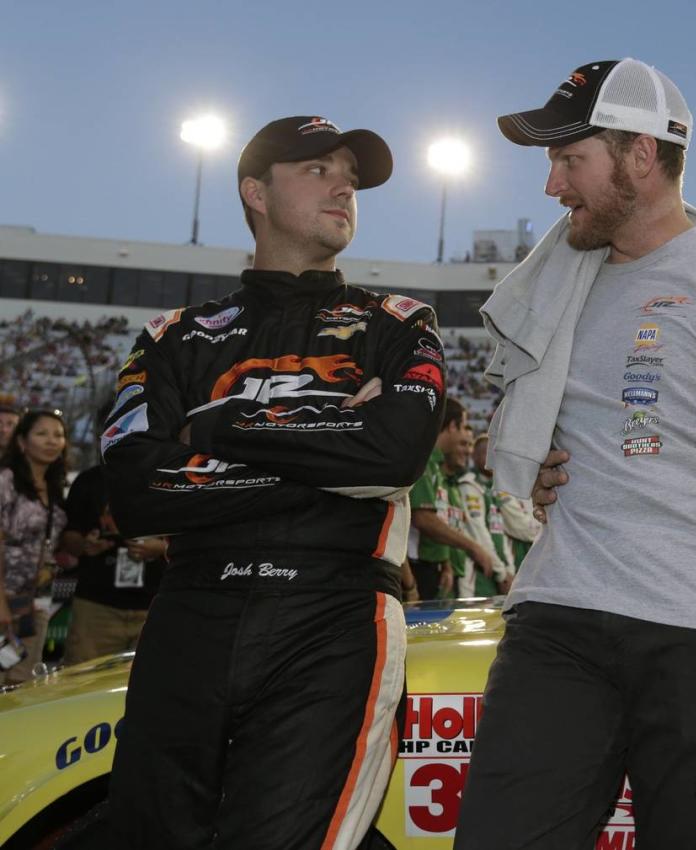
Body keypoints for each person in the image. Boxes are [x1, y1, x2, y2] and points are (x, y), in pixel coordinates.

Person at [455, 60, 696, 850]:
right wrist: (537, 458)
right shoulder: (555, 291)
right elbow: (540, 431)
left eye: (571, 160)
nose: (552, 186)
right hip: (557, 619)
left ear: (639, 155)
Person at [100, 115, 444, 850]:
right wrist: (328, 452)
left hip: (335, 619)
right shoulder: (172, 335)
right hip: (190, 614)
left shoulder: (401, 323)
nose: (345, 184)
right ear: (255, 191)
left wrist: (219, 427)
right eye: (318, 169)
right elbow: (132, 491)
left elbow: (392, 458)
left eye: (349, 173)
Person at [60, 462, 167, 664]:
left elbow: (197, 539)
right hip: (97, 606)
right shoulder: (89, 480)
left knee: (153, 687)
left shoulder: (174, 474)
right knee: (83, 684)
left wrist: (161, 548)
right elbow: (68, 536)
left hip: (157, 605)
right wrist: (85, 544)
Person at [0, 409, 68, 684]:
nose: (52, 441)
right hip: (4, 601)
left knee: (23, 687)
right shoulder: (6, 480)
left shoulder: (53, 485)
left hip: (32, 604)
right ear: (22, 442)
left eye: (58, 435)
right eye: (42, 434)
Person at [408, 398, 496, 600]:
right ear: (452, 426)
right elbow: (424, 519)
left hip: (437, 570)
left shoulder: (437, 465)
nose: (468, 448)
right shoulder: (424, 458)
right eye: (463, 428)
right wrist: (473, 547)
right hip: (418, 568)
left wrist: (446, 564)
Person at [456, 432, 513, 597]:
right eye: (485, 453)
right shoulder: (469, 484)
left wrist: (509, 571)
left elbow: (501, 534)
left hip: (499, 574)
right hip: (479, 576)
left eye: (495, 454)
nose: (491, 459)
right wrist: (501, 573)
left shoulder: (493, 488)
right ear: (474, 456)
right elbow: (478, 533)